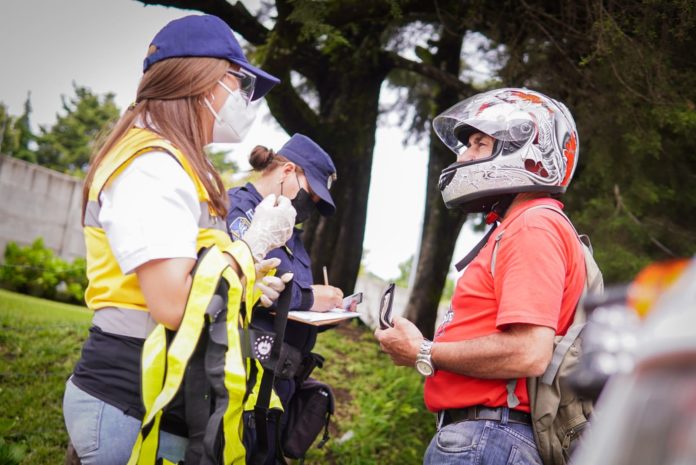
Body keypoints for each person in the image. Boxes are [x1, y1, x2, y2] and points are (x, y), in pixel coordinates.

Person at [63, 14, 297, 465]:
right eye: (239, 82)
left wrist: (244, 283)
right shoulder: (152, 165)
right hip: (128, 401)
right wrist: (252, 246)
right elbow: (172, 303)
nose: (244, 99)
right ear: (200, 77)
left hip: (156, 398)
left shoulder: (175, 162)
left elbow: (195, 274)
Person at [375, 88, 586, 465]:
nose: (464, 155)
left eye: (478, 143)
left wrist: (422, 351)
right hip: (486, 437)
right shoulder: (521, 224)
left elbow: (529, 352)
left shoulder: (532, 224)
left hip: (488, 438)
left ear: (527, 148)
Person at [226, 134, 342, 462]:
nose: (310, 207)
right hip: (242, 379)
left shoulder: (290, 231)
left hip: (280, 387)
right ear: (287, 170)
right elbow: (237, 280)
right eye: (311, 194)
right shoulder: (237, 211)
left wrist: (329, 309)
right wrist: (308, 299)